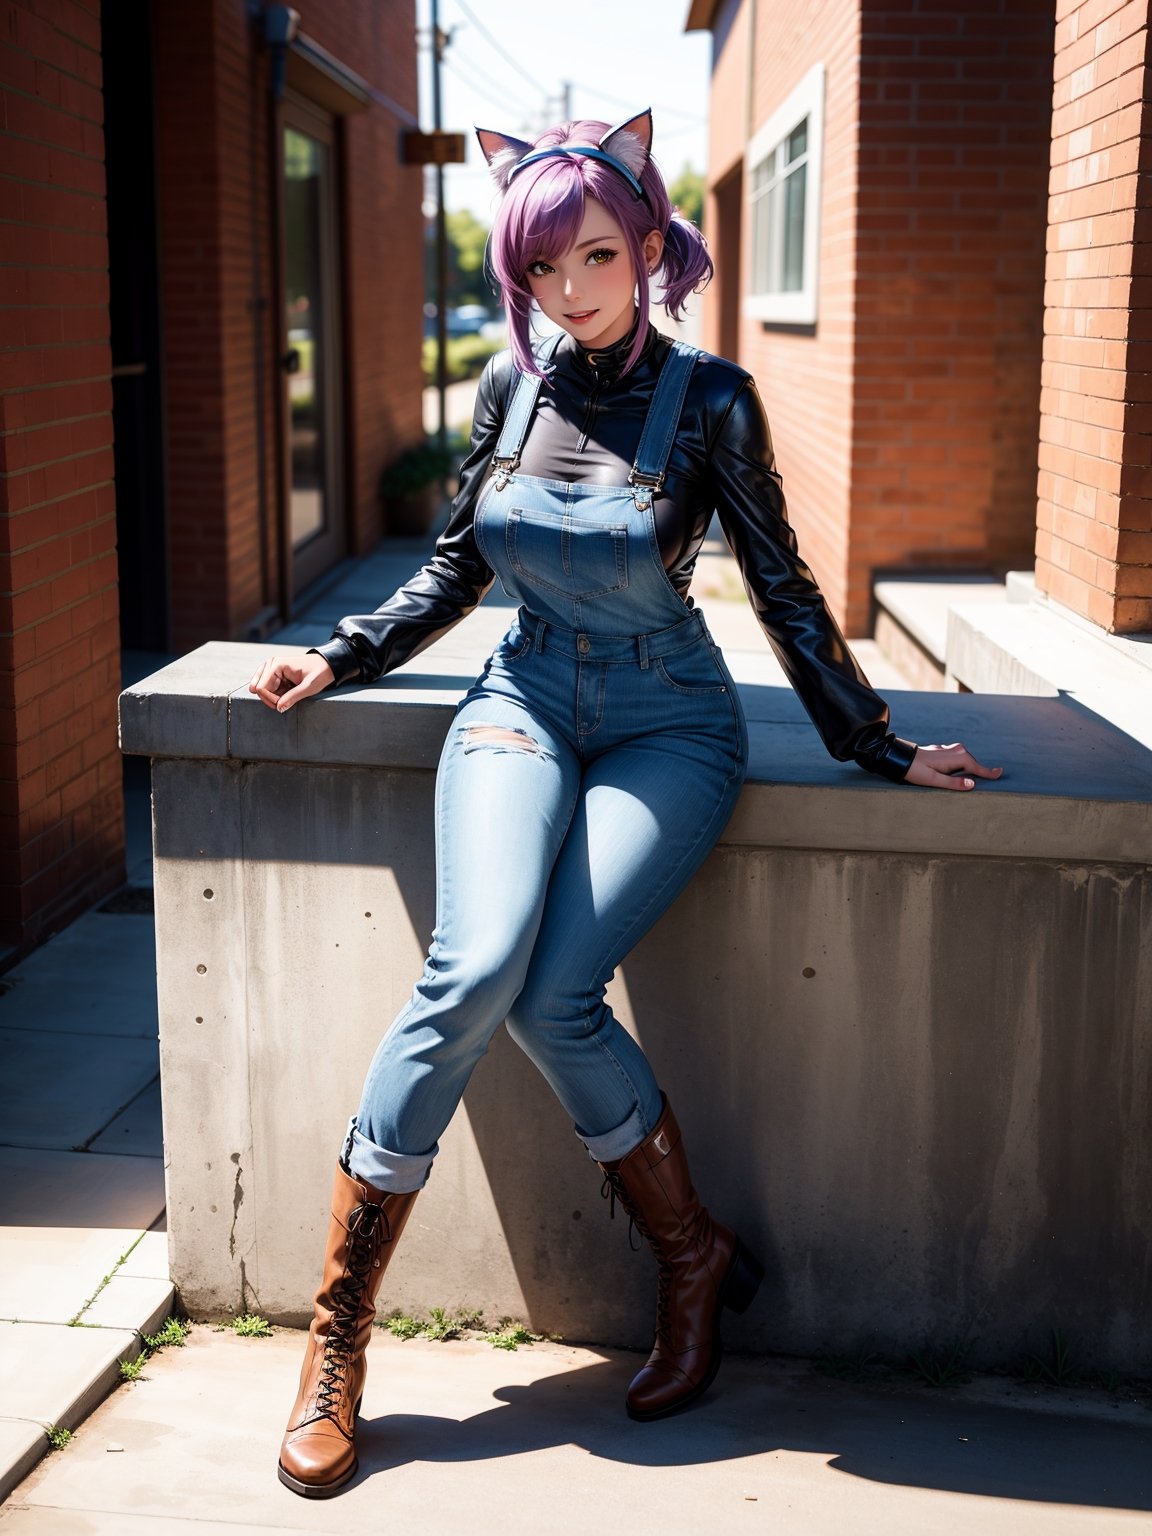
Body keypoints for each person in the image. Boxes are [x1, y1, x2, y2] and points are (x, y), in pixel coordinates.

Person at [251, 109, 1002, 1500]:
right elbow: (457, 572)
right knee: (472, 968)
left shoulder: (710, 398)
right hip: (524, 699)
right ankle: (337, 1334)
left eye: (597, 255)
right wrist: (340, 652)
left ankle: (691, 1257)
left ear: (652, 245)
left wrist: (882, 743)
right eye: (541, 270)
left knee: (554, 995)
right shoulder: (510, 390)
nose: (571, 291)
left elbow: (778, 583)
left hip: (670, 718)